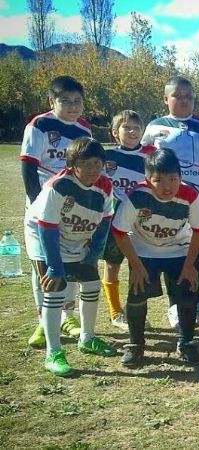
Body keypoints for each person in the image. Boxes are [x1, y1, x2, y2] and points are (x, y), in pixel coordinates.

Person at [112, 148, 199, 366]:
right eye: (158, 180)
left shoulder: (191, 195)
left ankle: (186, 343)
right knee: (137, 294)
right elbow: (119, 232)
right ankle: (136, 345)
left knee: (188, 292)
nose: (167, 187)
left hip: (179, 250)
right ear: (147, 179)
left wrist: (189, 265)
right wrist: (136, 266)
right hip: (144, 251)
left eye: (173, 179)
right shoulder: (137, 196)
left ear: (181, 177)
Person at [25, 137, 116, 376]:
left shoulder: (105, 186)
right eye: (86, 163)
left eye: (98, 163)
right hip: (45, 236)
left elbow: (105, 222)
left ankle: (87, 338)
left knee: (92, 283)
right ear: (72, 164)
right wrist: (54, 266)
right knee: (55, 287)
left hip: (75, 236)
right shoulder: (60, 186)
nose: (93, 169)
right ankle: (53, 352)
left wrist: (93, 256)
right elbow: (46, 227)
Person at [141, 76, 199, 329]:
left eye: (189, 96)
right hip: (168, 201)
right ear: (166, 99)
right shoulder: (154, 127)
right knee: (173, 251)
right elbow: (144, 163)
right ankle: (175, 306)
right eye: (178, 95)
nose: (184, 100)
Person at [22, 75, 91, 347]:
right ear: (52, 101)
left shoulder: (84, 129)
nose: (73, 106)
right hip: (44, 203)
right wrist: (38, 203)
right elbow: (29, 166)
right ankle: (43, 319)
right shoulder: (39, 124)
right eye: (66, 101)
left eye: (78, 101)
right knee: (43, 260)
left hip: (73, 207)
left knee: (71, 259)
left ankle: (68, 316)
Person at [100, 110, 156, 330]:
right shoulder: (107, 158)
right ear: (115, 132)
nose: (132, 131)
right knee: (112, 264)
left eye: (136, 127)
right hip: (115, 218)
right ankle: (115, 312)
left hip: (143, 219)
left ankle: (137, 310)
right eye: (126, 127)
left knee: (140, 265)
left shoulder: (152, 154)